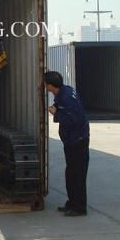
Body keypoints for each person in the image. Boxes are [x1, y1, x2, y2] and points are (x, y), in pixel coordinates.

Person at [44, 71, 90, 217]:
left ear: (50, 85)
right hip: (71, 140)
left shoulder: (66, 97)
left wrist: (56, 114)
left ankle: (79, 207)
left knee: (77, 174)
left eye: (45, 84)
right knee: (70, 173)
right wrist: (57, 109)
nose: (45, 87)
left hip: (78, 140)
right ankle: (72, 203)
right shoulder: (65, 91)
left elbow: (75, 119)